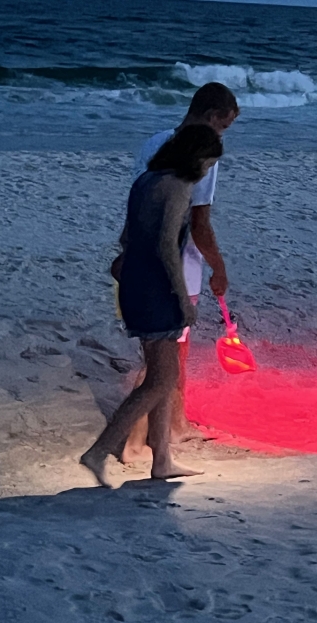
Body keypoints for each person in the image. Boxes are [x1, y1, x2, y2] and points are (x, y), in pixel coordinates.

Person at [81, 125, 223, 488]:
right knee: (160, 379)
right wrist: (181, 297)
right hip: (156, 288)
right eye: (208, 162)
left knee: (165, 373)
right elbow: (165, 247)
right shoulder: (178, 188)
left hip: (134, 282)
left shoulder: (146, 180)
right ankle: (99, 451)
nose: (208, 170)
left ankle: (162, 459)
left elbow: (126, 237)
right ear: (197, 157)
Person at [113, 82, 239, 465]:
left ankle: (174, 424)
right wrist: (218, 266)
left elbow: (135, 209)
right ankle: (133, 443)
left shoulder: (154, 142)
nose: (223, 133)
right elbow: (199, 223)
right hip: (175, 265)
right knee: (163, 358)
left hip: (137, 257)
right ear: (213, 115)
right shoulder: (201, 154)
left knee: (169, 354)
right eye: (225, 125)